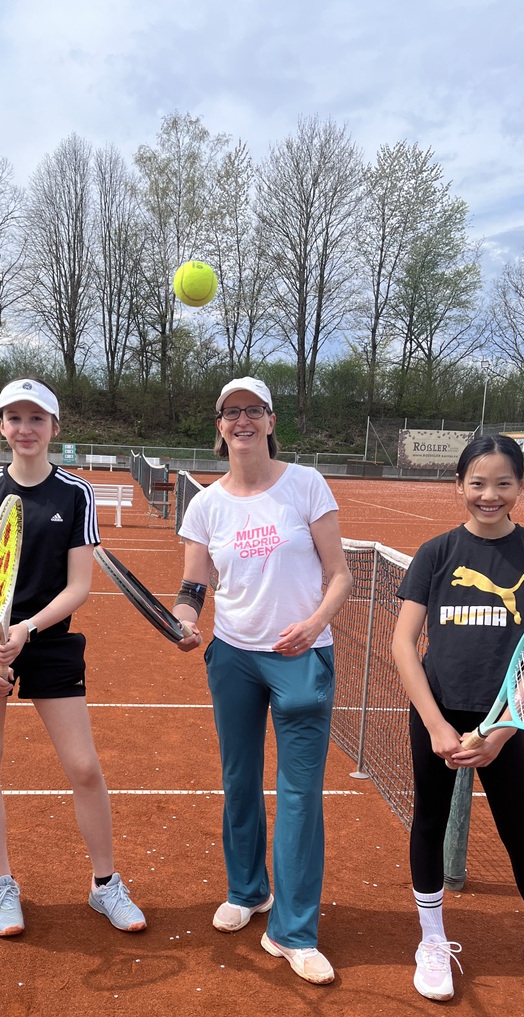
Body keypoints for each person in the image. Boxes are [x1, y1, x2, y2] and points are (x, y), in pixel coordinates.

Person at [391, 434, 524, 1003]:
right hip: (437, 713)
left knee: (519, 831)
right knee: (429, 823)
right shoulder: (435, 554)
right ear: (458, 485)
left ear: (521, 487)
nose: (490, 495)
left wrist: (503, 730)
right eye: (478, 483)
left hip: (506, 718)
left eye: (503, 483)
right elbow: (404, 644)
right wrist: (436, 725)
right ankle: (432, 940)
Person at [0, 378, 146, 937]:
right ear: (2, 425)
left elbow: (79, 584)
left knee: (83, 767)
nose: (25, 429)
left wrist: (28, 629)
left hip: (50, 641)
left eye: (37, 419)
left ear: (55, 428)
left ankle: (105, 885)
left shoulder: (75, 493)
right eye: (14, 418)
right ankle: (1, 883)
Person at [173, 377, 352, 984]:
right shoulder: (205, 504)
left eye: (253, 411)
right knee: (238, 779)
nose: (242, 421)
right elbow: (194, 585)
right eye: (231, 413)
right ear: (219, 427)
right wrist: (185, 618)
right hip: (233, 657)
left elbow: (341, 575)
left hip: (303, 656)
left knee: (300, 795)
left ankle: (295, 932)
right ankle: (248, 891)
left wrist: (315, 623)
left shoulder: (306, 485)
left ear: (271, 422)